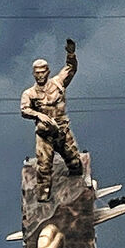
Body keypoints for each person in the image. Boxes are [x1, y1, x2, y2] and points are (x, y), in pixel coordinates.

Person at [21, 38, 83, 202]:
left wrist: (71, 54)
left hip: (62, 132)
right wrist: (38, 114)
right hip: (44, 135)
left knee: (75, 163)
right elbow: (24, 109)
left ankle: (76, 191)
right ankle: (43, 197)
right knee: (44, 167)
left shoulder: (58, 83)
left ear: (48, 72)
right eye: (37, 72)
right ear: (34, 74)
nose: (40, 75)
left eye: (43, 72)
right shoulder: (29, 93)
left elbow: (71, 68)